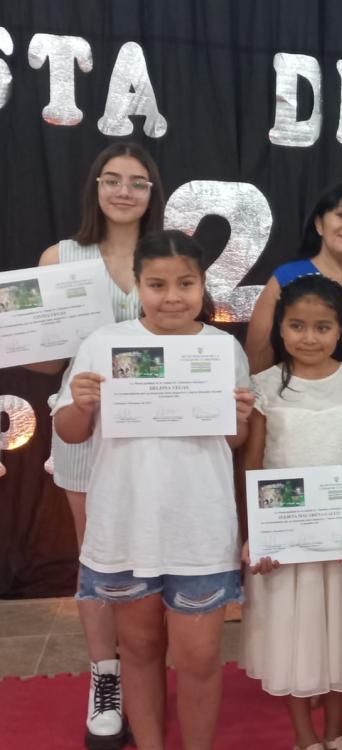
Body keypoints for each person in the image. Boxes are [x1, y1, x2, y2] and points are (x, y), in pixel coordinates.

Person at [52, 230, 253, 750]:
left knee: (199, 658)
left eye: (185, 283)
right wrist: (81, 404)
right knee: (139, 650)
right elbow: (70, 432)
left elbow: (234, 440)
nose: (172, 297)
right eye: (157, 284)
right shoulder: (104, 343)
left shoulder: (221, 348)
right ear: (137, 284)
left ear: (203, 284)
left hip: (199, 527)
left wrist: (239, 418)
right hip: (126, 524)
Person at [21, 142, 165, 750]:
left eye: (137, 181)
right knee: (97, 559)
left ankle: (146, 669)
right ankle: (106, 676)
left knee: (156, 553)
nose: (124, 191)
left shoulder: (168, 252)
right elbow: (43, 364)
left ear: (152, 192)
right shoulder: (61, 257)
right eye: (113, 180)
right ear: (96, 187)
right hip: (84, 430)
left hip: (157, 432)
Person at [245, 182, 342, 709]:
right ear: (319, 222)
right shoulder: (287, 277)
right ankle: (305, 665)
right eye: (341, 214)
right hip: (293, 427)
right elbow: (259, 358)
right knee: (301, 571)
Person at [241, 275, 342, 750]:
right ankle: (305, 737)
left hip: (341, 542)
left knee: (341, 637)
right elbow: (253, 463)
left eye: (322, 327)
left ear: (339, 329)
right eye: (297, 325)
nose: (309, 337)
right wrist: (256, 533)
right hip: (285, 544)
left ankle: (336, 732)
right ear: (280, 327)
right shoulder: (264, 387)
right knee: (291, 638)